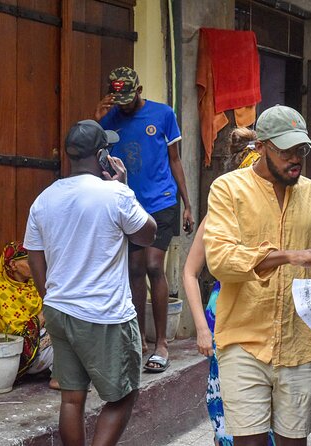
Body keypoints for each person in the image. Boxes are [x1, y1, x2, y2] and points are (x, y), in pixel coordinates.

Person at [203, 105, 311, 446]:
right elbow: (220, 260)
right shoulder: (228, 190)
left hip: (300, 346)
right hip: (243, 341)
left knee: (294, 442)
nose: (295, 158)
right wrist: (287, 256)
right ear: (261, 146)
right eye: (286, 150)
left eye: (301, 150)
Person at [24, 120, 157, 445]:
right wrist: (125, 187)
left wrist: (49, 296)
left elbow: (34, 256)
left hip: (59, 310)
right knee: (124, 394)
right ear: (102, 156)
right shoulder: (115, 194)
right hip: (105, 315)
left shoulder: (44, 199)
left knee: (72, 399)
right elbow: (148, 233)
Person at [94, 66, 194, 372]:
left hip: (162, 201)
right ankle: (138, 341)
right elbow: (94, 154)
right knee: (134, 270)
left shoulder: (163, 114)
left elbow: (174, 160)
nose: (123, 104)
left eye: (128, 97)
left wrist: (187, 204)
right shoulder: (110, 119)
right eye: (118, 98)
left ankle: (161, 343)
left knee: (153, 265)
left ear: (139, 91)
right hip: (128, 203)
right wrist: (97, 119)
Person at [183, 128, 275, 446]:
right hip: (226, 318)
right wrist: (201, 330)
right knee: (231, 408)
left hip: (269, 319)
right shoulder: (217, 217)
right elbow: (190, 273)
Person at [0, 241, 57, 389]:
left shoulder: (34, 286)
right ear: (13, 265)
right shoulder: (5, 296)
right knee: (64, 331)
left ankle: (63, 374)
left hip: (43, 346)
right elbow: (19, 336)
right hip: (24, 357)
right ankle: (60, 378)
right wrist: (46, 313)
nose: (35, 265)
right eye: (29, 261)